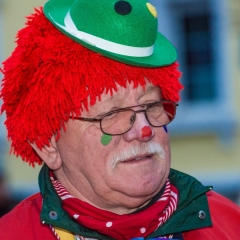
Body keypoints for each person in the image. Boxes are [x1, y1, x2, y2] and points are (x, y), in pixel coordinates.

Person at [0, 0, 239, 239]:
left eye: (152, 106)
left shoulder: (228, 223)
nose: (144, 129)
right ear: (47, 143)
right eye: (112, 114)